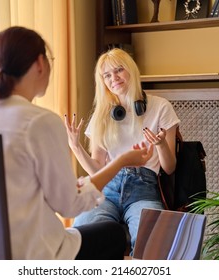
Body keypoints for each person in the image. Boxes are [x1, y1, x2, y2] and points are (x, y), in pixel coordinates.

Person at [0, 26, 154, 260]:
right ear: (40, 64)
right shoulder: (41, 121)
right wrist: (122, 161)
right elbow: (70, 205)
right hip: (35, 253)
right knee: (112, 235)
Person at [64, 48, 180, 255]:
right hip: (106, 190)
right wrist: (76, 147)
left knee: (155, 246)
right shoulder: (101, 115)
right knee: (79, 237)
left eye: (119, 70)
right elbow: (97, 171)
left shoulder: (161, 107)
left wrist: (161, 145)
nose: (113, 78)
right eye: (107, 75)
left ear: (131, 71)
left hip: (143, 189)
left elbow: (169, 168)